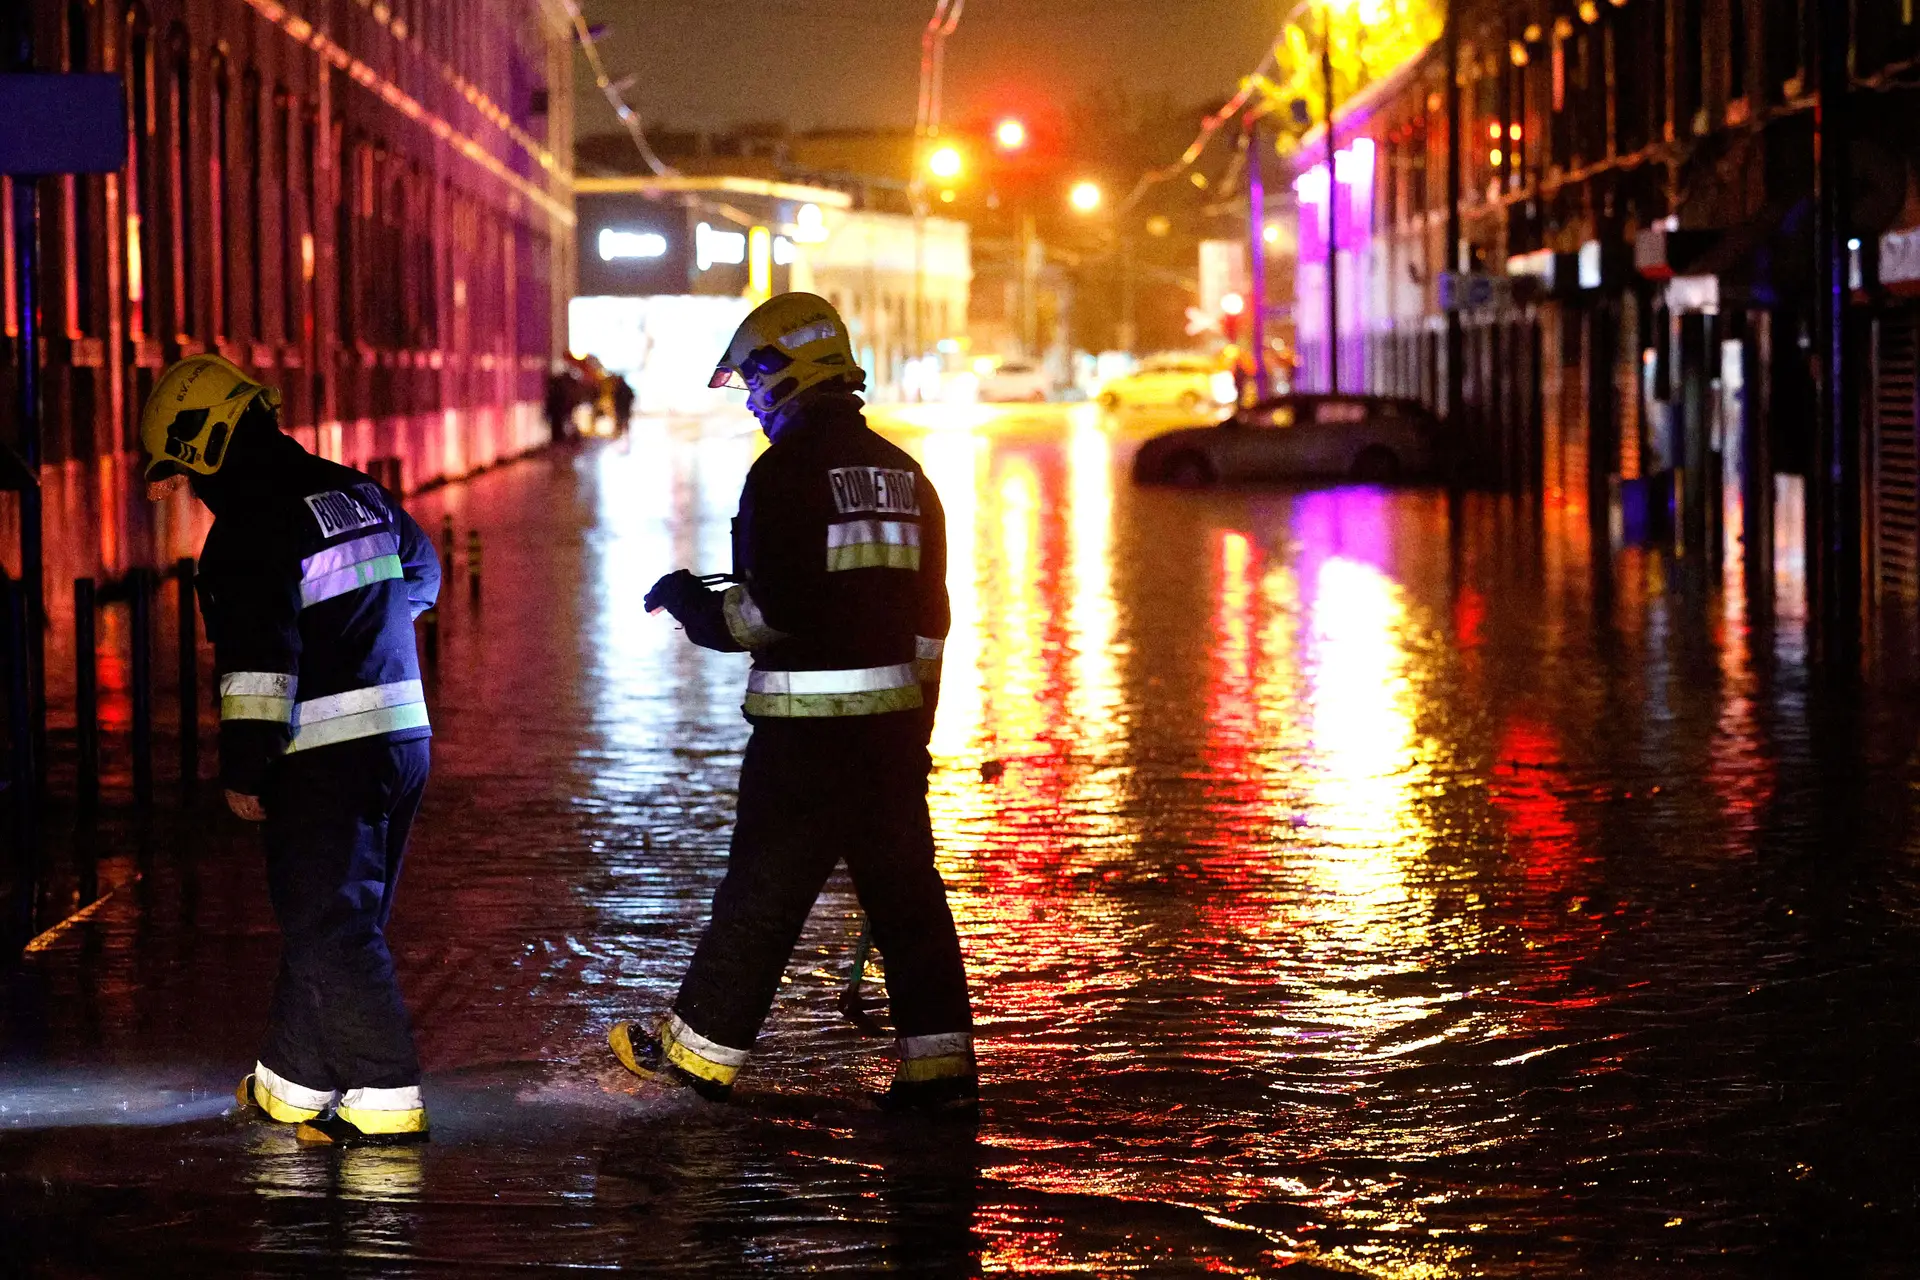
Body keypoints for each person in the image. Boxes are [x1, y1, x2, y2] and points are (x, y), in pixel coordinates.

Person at [613, 292, 976, 1112]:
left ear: (783, 373)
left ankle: (695, 1061)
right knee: (910, 903)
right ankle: (939, 1072)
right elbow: (931, 628)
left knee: (760, 898)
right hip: (889, 743)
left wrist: (685, 600)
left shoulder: (782, 474)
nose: (749, 400)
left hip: (802, 746)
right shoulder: (906, 477)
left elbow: (760, 614)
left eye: (750, 382)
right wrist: (914, 735)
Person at [140, 354, 441, 1146]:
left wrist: (246, 767)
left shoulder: (247, 532)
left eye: (183, 470)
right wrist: (363, 638)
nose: (187, 489)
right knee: (335, 916)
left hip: (323, 754)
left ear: (204, 447)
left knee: (330, 927)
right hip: (403, 741)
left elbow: (258, 668)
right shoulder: (353, 489)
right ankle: (293, 1082)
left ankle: (384, 1097)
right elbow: (424, 573)